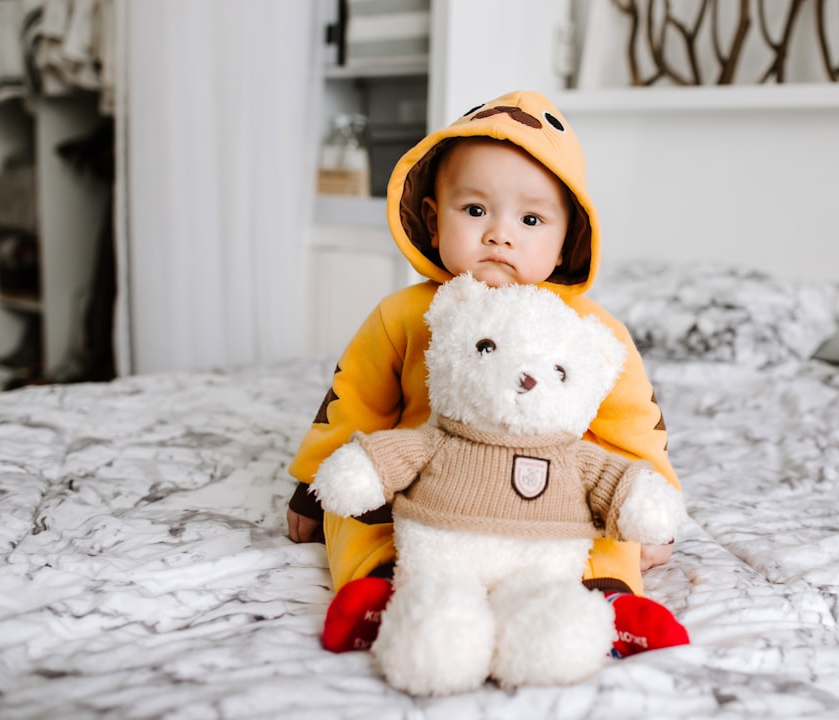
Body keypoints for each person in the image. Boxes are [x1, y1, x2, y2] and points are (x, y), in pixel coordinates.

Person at [286, 90, 688, 658]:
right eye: (475, 210)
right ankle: (378, 588)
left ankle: (607, 599)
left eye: (530, 218)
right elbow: (352, 400)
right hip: (426, 490)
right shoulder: (405, 315)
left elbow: (634, 424)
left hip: (553, 499)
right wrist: (312, 481)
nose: (501, 234)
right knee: (354, 513)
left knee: (603, 530)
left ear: (567, 236)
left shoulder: (589, 330)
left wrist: (654, 506)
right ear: (433, 217)